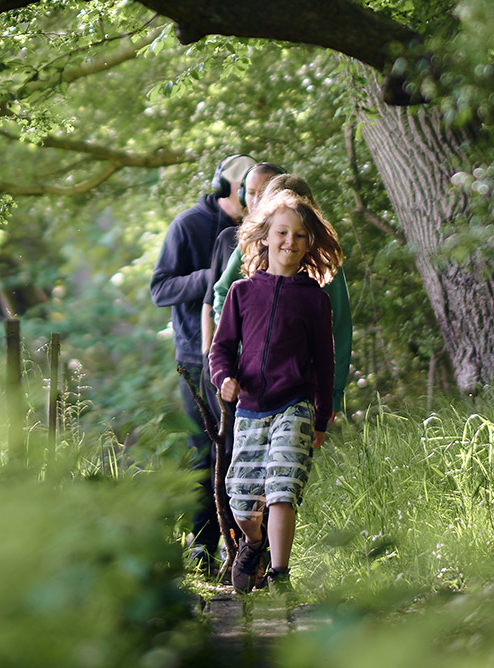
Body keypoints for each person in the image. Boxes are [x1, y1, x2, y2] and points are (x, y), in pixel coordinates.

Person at [207, 188, 344, 592]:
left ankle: (281, 577)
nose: (290, 242)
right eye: (282, 233)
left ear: (309, 244)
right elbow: (221, 349)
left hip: (294, 406)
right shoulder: (242, 292)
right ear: (265, 236)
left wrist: (320, 417)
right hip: (249, 408)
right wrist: (224, 379)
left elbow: (325, 363)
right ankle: (254, 543)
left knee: (282, 488)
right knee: (242, 501)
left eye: (300, 235)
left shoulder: (314, 300)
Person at [150, 153, 255, 575]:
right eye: (249, 189)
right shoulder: (187, 225)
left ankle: (245, 552)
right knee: (207, 454)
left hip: (245, 359)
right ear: (230, 188)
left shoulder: (259, 228)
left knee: (240, 452)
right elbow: (160, 288)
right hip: (196, 357)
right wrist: (210, 277)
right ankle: (202, 550)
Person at [209, 174, 353, 419]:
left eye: (299, 232)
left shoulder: (325, 265)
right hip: (251, 389)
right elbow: (223, 294)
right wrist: (245, 345)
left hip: (298, 392)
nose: (290, 239)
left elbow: (338, 329)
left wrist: (334, 395)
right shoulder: (251, 250)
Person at [200, 162, 285, 355]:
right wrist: (209, 354)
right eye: (251, 193)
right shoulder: (228, 239)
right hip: (235, 357)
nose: (256, 200)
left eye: (263, 193)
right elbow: (211, 300)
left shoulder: (293, 241)